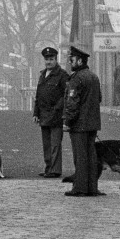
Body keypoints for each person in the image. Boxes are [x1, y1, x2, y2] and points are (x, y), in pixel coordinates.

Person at [62, 44, 103, 197]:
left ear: (79, 61)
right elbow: (98, 98)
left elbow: (72, 103)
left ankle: (79, 188)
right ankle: (92, 188)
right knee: (91, 157)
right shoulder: (94, 77)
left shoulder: (76, 79)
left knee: (80, 158)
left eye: (71, 59)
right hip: (93, 124)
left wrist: (68, 122)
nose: (70, 63)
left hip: (79, 125)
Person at [32, 46, 69, 178]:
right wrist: (36, 113)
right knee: (46, 145)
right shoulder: (43, 75)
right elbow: (39, 95)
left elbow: (66, 96)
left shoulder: (62, 75)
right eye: (47, 59)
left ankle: (55, 170)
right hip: (43, 115)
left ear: (56, 59)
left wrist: (57, 109)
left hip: (56, 116)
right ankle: (48, 168)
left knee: (55, 144)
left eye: (51, 59)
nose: (49, 62)